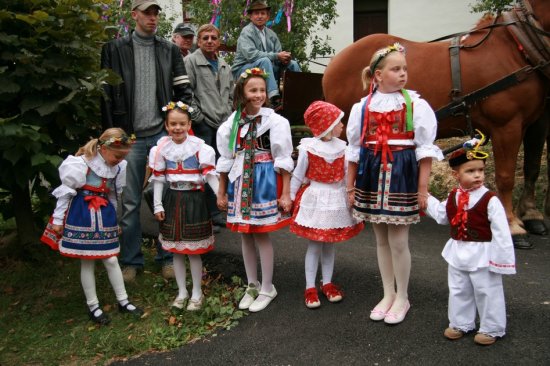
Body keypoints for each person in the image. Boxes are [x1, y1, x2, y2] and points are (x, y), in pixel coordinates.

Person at [346, 43, 443, 324]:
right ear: (377, 75)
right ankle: (388, 293)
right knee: (380, 239)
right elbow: (353, 150)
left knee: (399, 241)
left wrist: (423, 189)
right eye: (396, 69)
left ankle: (403, 296)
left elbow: (424, 150)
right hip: (371, 172)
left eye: (404, 69)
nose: (403, 74)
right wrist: (350, 187)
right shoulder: (362, 107)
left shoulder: (414, 104)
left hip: (402, 173)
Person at [100, 0, 193, 282]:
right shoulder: (114, 49)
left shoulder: (169, 50)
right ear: (135, 15)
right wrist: (111, 135)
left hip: (161, 136)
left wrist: (177, 127)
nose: (152, 18)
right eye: (147, 13)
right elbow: (104, 95)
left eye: (156, 14)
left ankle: (166, 258)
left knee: (164, 197)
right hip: (129, 137)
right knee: (128, 203)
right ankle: (131, 261)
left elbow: (183, 90)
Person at [40, 128, 144, 325]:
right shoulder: (81, 164)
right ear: (103, 149)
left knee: (111, 259)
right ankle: (93, 306)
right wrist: (58, 220)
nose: (119, 160)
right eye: (116, 156)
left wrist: (114, 220)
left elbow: (113, 195)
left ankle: (123, 301)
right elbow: (66, 193)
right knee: (87, 261)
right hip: (82, 214)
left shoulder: (119, 167)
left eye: (123, 156)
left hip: (104, 216)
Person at [425, 134, 516, 346]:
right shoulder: (454, 196)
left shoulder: (490, 199)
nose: (478, 175)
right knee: (458, 288)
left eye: (481, 170)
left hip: (483, 254)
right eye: (470, 171)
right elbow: (441, 215)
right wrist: (426, 198)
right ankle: (460, 323)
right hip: (458, 252)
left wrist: (501, 261)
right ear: (456, 174)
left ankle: (491, 327)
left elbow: (501, 232)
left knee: (487, 290)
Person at [216, 67, 294, 313]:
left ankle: (268, 286)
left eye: (262, 89)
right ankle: (252, 284)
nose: (259, 94)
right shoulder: (232, 123)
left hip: (264, 181)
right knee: (245, 234)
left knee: (261, 233)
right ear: (242, 92)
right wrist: (221, 191)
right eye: (253, 90)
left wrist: (286, 192)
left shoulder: (275, 121)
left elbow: (283, 158)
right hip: (240, 182)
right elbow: (226, 159)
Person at [290, 101, 364, 309]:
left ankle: (328, 282)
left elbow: (348, 175)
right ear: (327, 125)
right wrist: (290, 196)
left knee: (329, 244)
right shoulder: (308, 148)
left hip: (335, 199)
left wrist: (352, 193)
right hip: (315, 198)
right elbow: (298, 174)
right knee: (315, 244)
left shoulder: (343, 148)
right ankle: (310, 286)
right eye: (338, 122)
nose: (342, 126)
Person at [149, 101, 219, 311]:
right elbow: (158, 179)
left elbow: (209, 175)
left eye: (181, 123)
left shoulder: (199, 147)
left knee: (193, 250)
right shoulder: (161, 148)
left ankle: (197, 292)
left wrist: (220, 196)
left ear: (189, 124)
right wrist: (157, 205)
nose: (177, 128)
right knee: (176, 251)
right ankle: (182, 292)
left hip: (194, 201)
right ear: (166, 125)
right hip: (172, 200)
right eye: (173, 124)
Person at [184, 23, 234, 231]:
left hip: (223, 124)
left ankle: (218, 207)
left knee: (222, 167)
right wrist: (198, 118)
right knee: (205, 168)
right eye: (205, 38)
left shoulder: (224, 65)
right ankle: (208, 213)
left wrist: (230, 115)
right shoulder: (191, 62)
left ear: (219, 41)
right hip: (204, 123)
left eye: (213, 37)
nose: (210, 41)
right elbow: (187, 92)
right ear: (198, 40)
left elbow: (231, 93)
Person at [231, 0, 301, 109]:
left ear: (268, 17)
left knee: (293, 64)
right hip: (242, 69)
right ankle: (274, 98)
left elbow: (277, 55)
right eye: (256, 13)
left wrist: (284, 59)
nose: (260, 16)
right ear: (250, 16)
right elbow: (251, 55)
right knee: (265, 61)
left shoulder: (272, 34)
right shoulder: (246, 32)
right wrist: (276, 56)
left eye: (262, 13)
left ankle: (297, 95)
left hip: (265, 67)